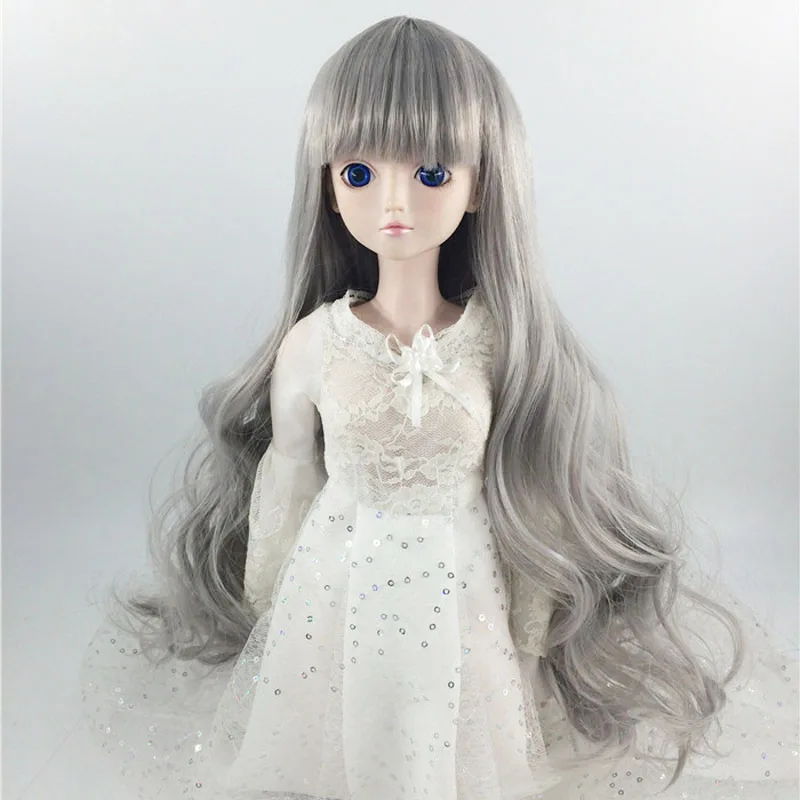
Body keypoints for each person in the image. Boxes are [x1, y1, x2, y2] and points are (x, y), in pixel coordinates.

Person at [81, 15, 799, 799]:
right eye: (360, 172)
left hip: (462, 589)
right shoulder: (314, 345)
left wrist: (530, 638)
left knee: (452, 737)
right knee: (341, 733)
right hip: (340, 582)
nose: (394, 201)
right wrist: (273, 619)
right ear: (327, 184)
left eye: (430, 173)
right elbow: (288, 483)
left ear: (481, 183)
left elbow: (528, 487)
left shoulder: (498, 345)